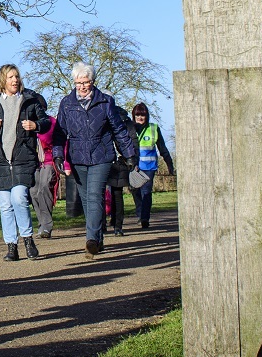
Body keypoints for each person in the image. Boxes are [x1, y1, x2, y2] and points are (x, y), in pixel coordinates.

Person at [51, 61, 136, 258]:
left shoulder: (106, 102)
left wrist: (129, 154)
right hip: (78, 156)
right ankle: (98, 238)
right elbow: (60, 133)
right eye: (78, 82)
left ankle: (90, 240)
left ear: (93, 81)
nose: (81, 86)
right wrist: (57, 155)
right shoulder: (67, 103)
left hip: (102, 154)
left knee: (95, 195)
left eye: (85, 82)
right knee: (86, 199)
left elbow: (118, 130)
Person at [0, 65, 48, 260]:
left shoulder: (29, 100)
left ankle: (28, 240)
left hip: (23, 158)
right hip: (0, 160)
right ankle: (11, 247)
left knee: (19, 198)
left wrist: (36, 125)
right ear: (3, 81)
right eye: (10, 77)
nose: (15, 80)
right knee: (5, 205)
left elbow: (46, 122)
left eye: (16, 76)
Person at [129, 102, 175, 230]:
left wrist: (169, 165)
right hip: (133, 166)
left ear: (147, 116)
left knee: (146, 192)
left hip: (149, 166)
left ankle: (144, 218)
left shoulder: (154, 128)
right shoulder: (129, 128)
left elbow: (162, 148)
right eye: (137, 115)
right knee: (134, 190)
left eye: (142, 115)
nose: (140, 118)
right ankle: (140, 213)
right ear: (133, 116)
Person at [104, 102, 135, 237]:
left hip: (115, 160)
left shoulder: (120, 118)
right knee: (112, 195)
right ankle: (115, 226)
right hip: (114, 160)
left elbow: (131, 140)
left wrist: (131, 158)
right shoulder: (122, 117)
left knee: (113, 195)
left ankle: (114, 225)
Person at [30, 112, 62, 239]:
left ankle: (47, 226)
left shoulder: (52, 123)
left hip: (49, 161)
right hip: (34, 162)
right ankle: (41, 223)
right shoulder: (27, 122)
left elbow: (60, 142)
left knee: (44, 188)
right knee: (33, 191)